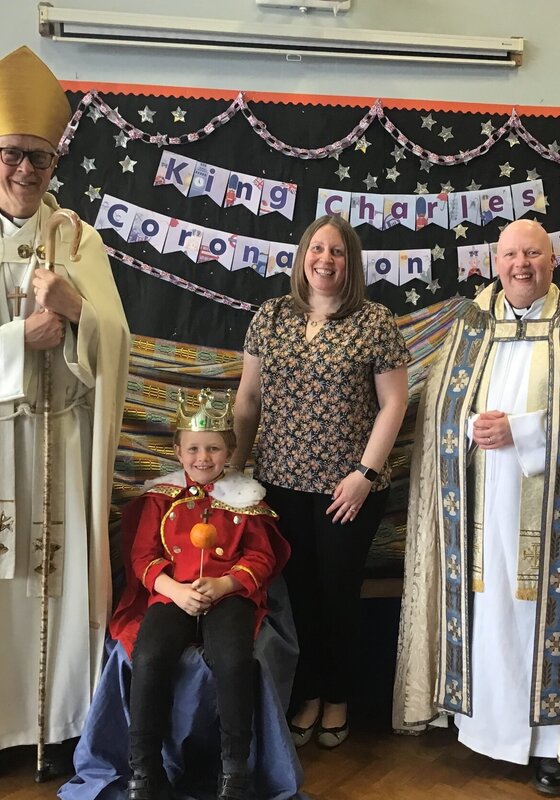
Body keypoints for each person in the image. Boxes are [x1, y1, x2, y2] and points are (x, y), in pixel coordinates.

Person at [393, 218, 560, 795]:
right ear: (495, 262)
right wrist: (469, 425)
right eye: (511, 254)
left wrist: (524, 432)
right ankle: (483, 728)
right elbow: (442, 407)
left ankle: (550, 745)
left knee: (540, 621)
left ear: (551, 259)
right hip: (481, 508)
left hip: (550, 512)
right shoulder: (471, 323)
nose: (521, 265)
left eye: (532, 254)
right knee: (489, 615)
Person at [232, 214, 410, 749]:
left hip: (347, 493)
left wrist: (364, 473)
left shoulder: (374, 321)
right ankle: (305, 692)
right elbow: (248, 399)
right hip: (278, 484)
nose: (325, 260)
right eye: (317, 249)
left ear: (350, 263)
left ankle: (338, 696)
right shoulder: (271, 317)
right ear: (303, 255)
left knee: (337, 596)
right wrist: (235, 467)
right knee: (297, 595)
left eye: (336, 252)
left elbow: (394, 402)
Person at [0, 45, 130, 757]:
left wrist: (79, 309)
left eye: (39, 159)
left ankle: (58, 729)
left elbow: (119, 342)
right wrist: (22, 337)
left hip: (62, 448)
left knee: (58, 583)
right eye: (12, 153)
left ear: (56, 165)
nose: (25, 170)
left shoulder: (79, 239)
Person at [109, 389, 291, 800]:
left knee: (232, 659)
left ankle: (234, 772)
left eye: (213, 448)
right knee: (149, 655)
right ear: (177, 451)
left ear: (229, 451)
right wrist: (174, 590)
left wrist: (226, 584)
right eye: (193, 448)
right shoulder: (160, 498)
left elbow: (261, 558)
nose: (203, 458)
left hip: (228, 597)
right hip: (172, 596)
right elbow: (143, 558)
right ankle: (145, 770)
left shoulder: (247, 501)